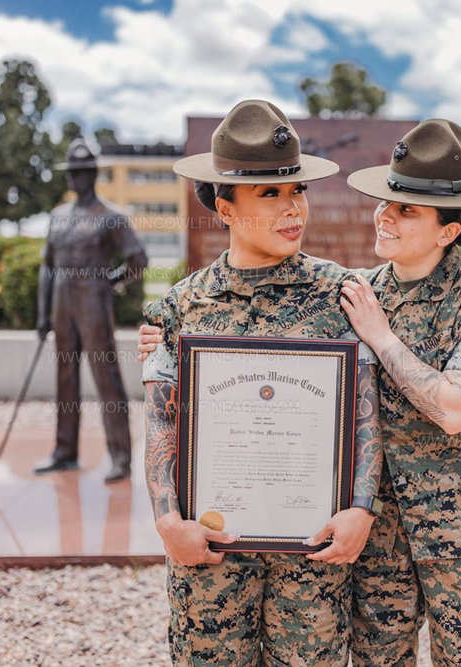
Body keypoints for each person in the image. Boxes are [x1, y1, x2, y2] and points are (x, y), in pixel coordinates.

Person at [140, 99, 383, 666]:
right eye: (269, 194)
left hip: (311, 555)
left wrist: (362, 509)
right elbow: (159, 422)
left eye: (297, 191)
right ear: (224, 207)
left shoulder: (342, 296)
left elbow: (366, 412)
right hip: (212, 555)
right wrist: (166, 521)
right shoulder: (179, 308)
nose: (292, 207)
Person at [339, 119, 461, 665]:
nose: (385, 216)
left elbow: (455, 409)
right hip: (379, 539)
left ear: (448, 230)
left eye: (406, 210)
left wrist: (380, 336)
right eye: (386, 202)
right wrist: (168, 339)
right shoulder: (356, 292)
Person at [34, 138, 147, 484]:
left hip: (93, 302)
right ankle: (64, 452)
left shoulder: (112, 217)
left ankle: (121, 457)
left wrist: (110, 282)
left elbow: (138, 260)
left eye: (80, 173)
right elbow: (47, 266)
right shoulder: (57, 217)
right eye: (70, 173)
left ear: (92, 174)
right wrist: (42, 315)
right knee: (64, 377)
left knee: (106, 378)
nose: (74, 179)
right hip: (62, 305)